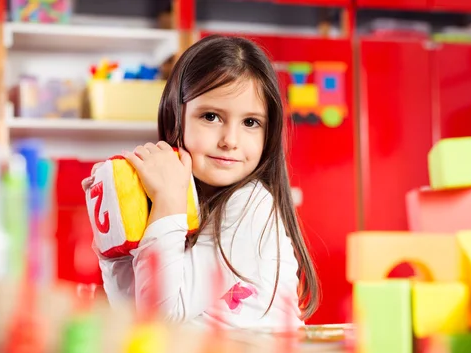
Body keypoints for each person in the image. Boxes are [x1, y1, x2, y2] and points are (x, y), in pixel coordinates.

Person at [82, 34, 320, 332]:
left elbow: (161, 318)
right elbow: (138, 313)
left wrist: (169, 200)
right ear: (175, 121)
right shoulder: (180, 201)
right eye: (211, 117)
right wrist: (113, 248)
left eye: (250, 123)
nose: (230, 141)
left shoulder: (251, 203)